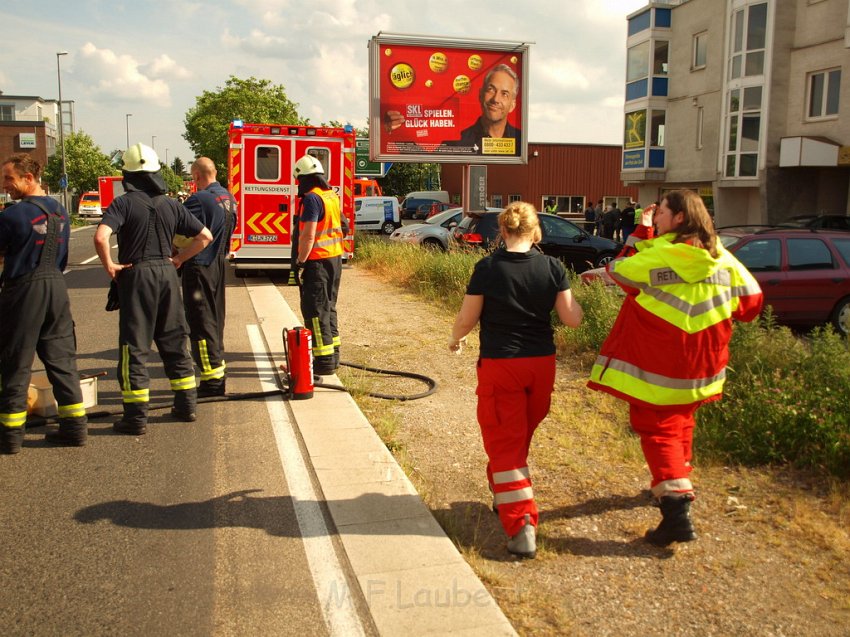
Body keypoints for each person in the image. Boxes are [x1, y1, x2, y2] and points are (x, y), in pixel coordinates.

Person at [587, 189, 763, 546]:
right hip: (705, 368)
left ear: (679, 218)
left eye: (662, 212)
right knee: (681, 423)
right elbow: (753, 304)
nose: (658, 216)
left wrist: (642, 231)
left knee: (658, 429)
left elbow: (618, 269)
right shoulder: (725, 260)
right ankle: (674, 479)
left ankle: (676, 509)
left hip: (660, 367)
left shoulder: (658, 259)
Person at [449, 201, 583, 559]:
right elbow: (572, 319)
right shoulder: (553, 267)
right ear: (536, 231)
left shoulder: (488, 268)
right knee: (517, 434)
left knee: (506, 443)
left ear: (502, 232)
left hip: (502, 363)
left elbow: (467, 317)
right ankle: (502, 490)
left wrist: (455, 337)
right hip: (541, 364)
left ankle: (521, 523)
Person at [94, 143, 212, 435]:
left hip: (136, 276)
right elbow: (205, 236)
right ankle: (186, 407)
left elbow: (100, 237)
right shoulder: (172, 204)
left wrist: (109, 265)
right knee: (174, 341)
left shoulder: (123, 203)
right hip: (166, 275)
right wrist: (178, 260)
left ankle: (135, 418)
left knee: (134, 347)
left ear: (128, 175)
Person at [0, 154, 88, 453]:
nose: (5, 185)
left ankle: (10, 437)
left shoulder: (13, 215)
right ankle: (75, 429)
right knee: (62, 361)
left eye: (9, 178)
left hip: (24, 290)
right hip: (56, 288)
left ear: (28, 178)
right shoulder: (60, 212)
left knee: (16, 362)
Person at [180, 157, 237, 397]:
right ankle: (217, 374)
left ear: (196, 176)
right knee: (215, 320)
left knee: (200, 324)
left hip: (199, 268)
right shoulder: (229, 198)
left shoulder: (198, 200)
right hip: (218, 267)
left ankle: (211, 381)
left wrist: (178, 257)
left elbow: (180, 231)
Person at [292, 154, 345, 376]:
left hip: (318, 262)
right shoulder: (331, 195)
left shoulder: (313, 199)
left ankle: (323, 363)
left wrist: (300, 261)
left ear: (304, 178)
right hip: (334, 260)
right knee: (329, 307)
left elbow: (308, 235)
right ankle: (332, 357)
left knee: (315, 311)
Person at [448, 63, 522, 156]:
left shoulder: (521, 143)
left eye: (504, 94)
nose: (495, 99)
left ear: (512, 105)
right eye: (491, 89)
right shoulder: (456, 143)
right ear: (480, 95)